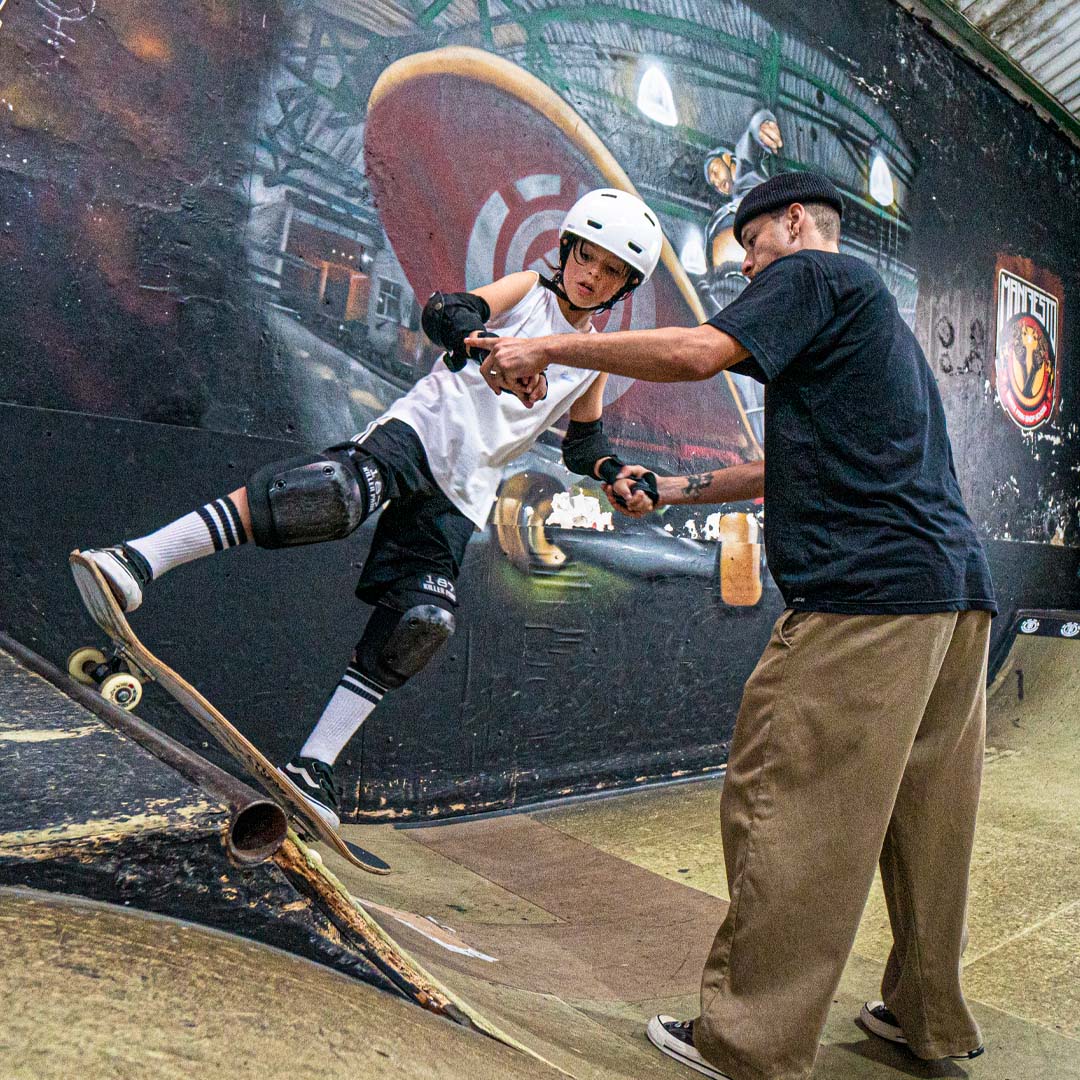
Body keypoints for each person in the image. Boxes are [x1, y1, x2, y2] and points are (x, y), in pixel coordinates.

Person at [471, 171, 996, 1079]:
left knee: (788, 802)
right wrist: (674, 490)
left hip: (864, 598)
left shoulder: (815, 274)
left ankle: (747, 1041)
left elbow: (694, 354)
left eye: (749, 246)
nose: (746, 266)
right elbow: (776, 473)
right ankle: (926, 1016)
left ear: (795, 221)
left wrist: (551, 350)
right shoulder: (875, 327)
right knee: (926, 821)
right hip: (951, 593)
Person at [77, 188, 663, 830]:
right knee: (324, 497)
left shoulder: (592, 358)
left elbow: (584, 443)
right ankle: (133, 561)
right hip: (418, 434)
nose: (591, 274)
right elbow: (448, 312)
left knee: (421, 622)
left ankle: (312, 768)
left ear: (621, 287)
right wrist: (485, 343)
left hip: (464, 494)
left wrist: (613, 473)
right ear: (567, 248)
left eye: (610, 271)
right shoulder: (530, 291)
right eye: (587, 256)